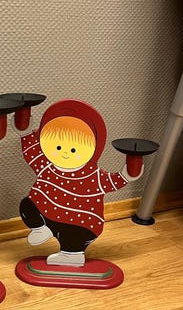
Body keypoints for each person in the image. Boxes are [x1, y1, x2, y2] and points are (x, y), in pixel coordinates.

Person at [16, 99, 142, 267]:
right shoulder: (46, 165)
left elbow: (114, 181)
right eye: (58, 147)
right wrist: (24, 132)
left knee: (72, 236)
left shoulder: (93, 175)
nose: (65, 153)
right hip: (46, 216)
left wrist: (129, 172)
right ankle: (40, 228)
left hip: (79, 224)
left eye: (73, 150)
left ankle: (72, 255)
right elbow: (31, 151)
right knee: (27, 205)